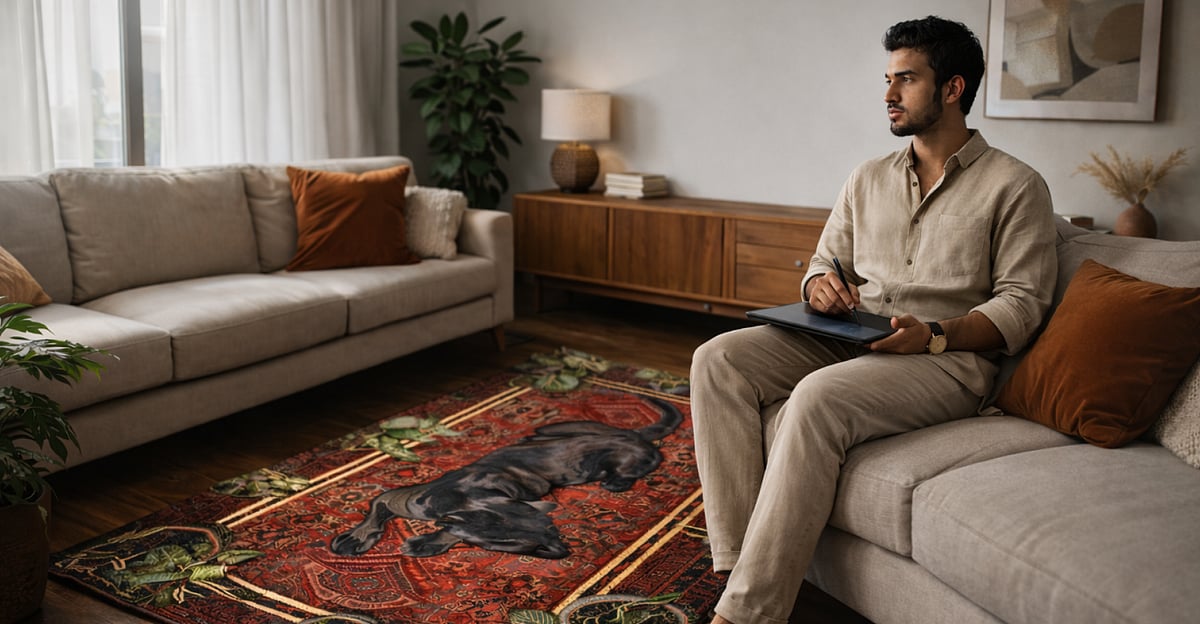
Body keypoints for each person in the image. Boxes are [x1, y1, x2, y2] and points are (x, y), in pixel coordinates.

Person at [691, 16, 1058, 624]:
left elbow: (1022, 305)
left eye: (906, 79)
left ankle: (748, 615)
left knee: (816, 399)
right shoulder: (866, 178)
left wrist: (936, 335)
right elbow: (823, 264)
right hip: (855, 334)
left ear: (952, 88)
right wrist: (820, 288)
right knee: (717, 359)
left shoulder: (1016, 186)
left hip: (947, 360)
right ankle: (736, 564)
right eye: (887, 79)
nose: (888, 93)